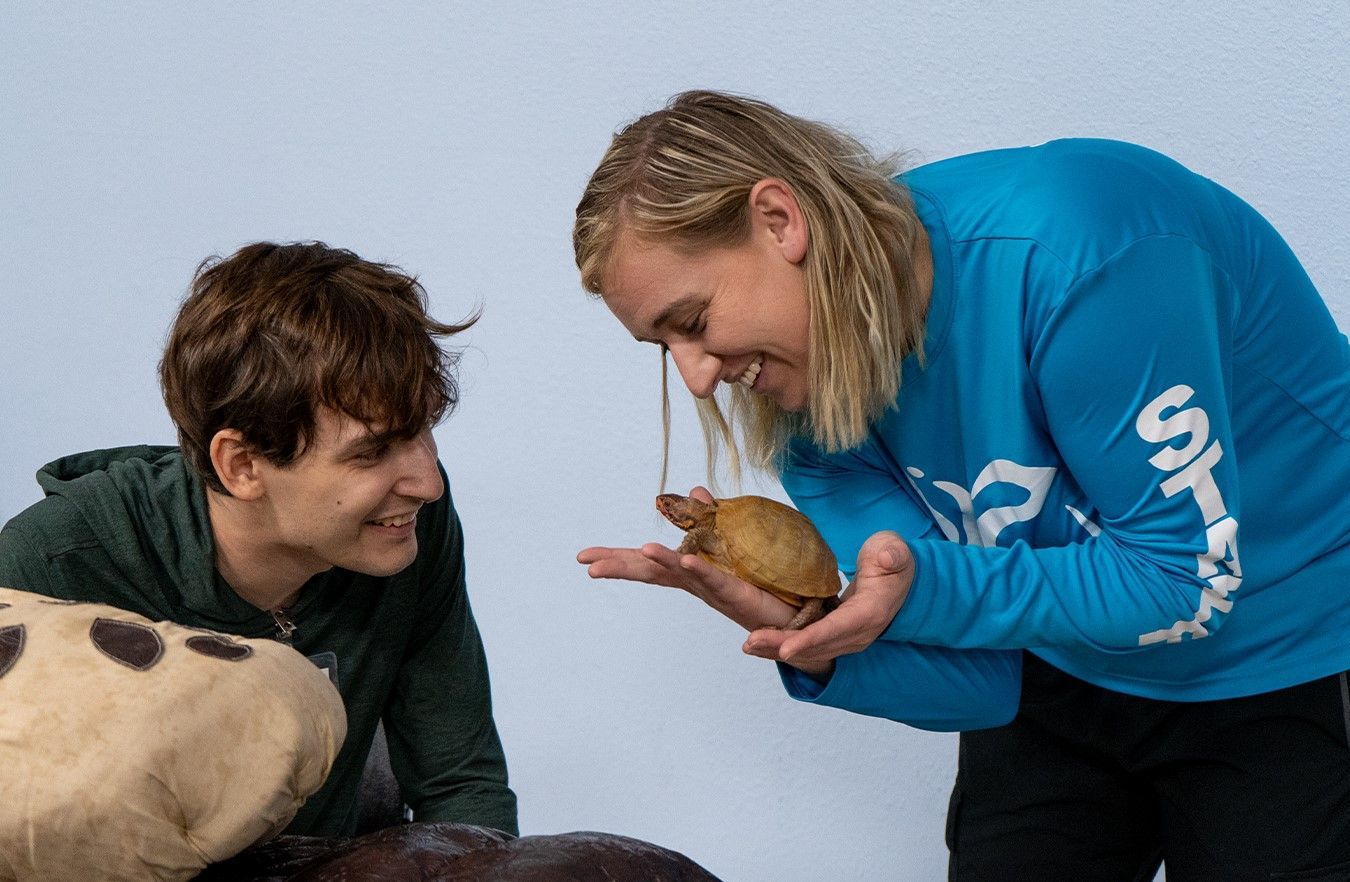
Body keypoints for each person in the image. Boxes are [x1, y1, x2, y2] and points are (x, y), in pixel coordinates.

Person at [572, 90, 1350, 880]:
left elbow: (1179, 583)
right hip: (1064, 663)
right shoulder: (812, 411)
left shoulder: (1084, 256)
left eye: (695, 321)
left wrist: (923, 588)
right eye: (660, 345)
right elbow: (985, 682)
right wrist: (821, 641)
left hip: (1284, 652)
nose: (697, 379)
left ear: (780, 221)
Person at [0, 242, 519, 838]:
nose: (427, 482)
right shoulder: (50, 567)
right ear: (242, 465)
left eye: (423, 432)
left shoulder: (402, 522)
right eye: (372, 451)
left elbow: (460, 786)